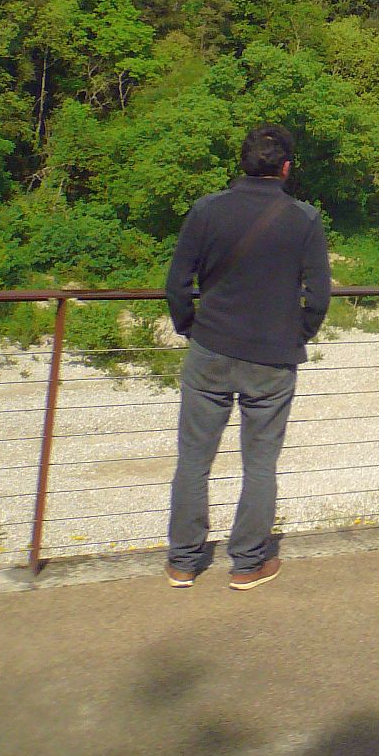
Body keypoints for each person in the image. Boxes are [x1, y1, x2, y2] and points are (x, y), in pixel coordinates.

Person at [162, 123, 331, 590]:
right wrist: (297, 333)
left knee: (194, 460)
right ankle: (248, 563)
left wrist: (191, 327)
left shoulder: (206, 211)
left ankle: (183, 561)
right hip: (272, 359)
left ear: (242, 163)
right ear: (286, 168)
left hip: (210, 349)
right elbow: (318, 296)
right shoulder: (304, 219)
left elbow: (177, 284)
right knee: (260, 464)